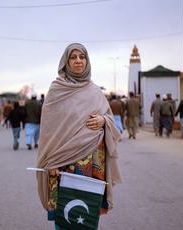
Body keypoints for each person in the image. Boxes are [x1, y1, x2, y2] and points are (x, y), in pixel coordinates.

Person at [36, 43, 121, 229]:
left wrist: (103, 120)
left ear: (87, 61)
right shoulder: (56, 91)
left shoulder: (95, 91)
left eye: (82, 57)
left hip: (92, 165)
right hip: (63, 165)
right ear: (66, 62)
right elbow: (49, 131)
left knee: (87, 218)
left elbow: (111, 122)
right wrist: (52, 162)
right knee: (65, 215)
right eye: (73, 57)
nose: (78, 61)